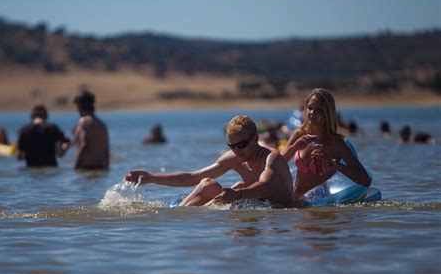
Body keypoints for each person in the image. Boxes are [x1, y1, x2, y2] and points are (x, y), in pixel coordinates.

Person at [126, 115, 295, 207]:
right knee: (207, 184)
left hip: (280, 209)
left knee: (238, 188)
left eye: (241, 145)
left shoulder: (272, 158)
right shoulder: (234, 158)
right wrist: (151, 178)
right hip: (255, 204)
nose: (236, 150)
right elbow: (193, 177)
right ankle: (182, 220)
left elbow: (264, 185)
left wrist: (238, 194)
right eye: (231, 145)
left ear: (255, 139)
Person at [281, 88, 372, 201]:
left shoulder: (337, 144)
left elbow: (365, 180)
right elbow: (277, 163)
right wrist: (294, 148)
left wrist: (332, 162)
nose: (312, 113)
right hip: (295, 194)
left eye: (318, 110)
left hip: (317, 198)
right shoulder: (300, 133)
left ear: (327, 113)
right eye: (310, 108)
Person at [73, 90, 109, 170]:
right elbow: (106, 150)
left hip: (86, 168)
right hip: (101, 167)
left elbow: (84, 144)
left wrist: (76, 166)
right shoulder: (102, 125)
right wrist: (106, 168)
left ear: (79, 106)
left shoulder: (84, 122)